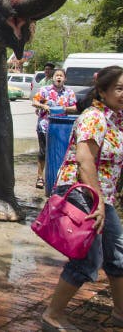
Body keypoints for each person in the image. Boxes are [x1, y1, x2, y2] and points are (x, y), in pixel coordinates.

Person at [42, 65, 123, 331]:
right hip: (83, 194)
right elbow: (85, 162)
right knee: (87, 260)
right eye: (119, 88)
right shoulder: (94, 118)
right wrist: (98, 203)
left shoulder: (116, 119)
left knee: (117, 255)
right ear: (102, 91)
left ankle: (121, 313)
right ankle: (52, 315)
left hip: (103, 197)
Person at [32, 68, 77, 189]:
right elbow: (34, 102)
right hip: (45, 126)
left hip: (63, 128)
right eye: (57, 75)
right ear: (53, 78)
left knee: (62, 153)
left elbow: (75, 107)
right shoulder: (44, 90)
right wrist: (44, 106)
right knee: (43, 152)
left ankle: (59, 179)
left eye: (61, 76)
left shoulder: (69, 92)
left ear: (65, 78)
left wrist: (64, 109)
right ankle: (40, 178)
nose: (59, 78)